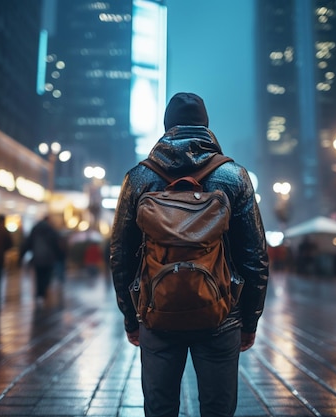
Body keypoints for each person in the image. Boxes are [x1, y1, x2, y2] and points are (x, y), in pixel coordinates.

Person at [110, 92, 269, 417]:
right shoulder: (234, 176)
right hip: (222, 315)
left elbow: (120, 255)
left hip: (156, 312)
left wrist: (131, 317)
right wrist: (249, 320)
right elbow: (255, 256)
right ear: (206, 127)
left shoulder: (139, 177)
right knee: (217, 409)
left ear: (168, 127)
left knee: (160, 408)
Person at [20, 216, 63, 304]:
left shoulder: (35, 230)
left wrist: (21, 255)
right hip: (49, 258)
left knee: (39, 277)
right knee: (46, 277)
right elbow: (56, 245)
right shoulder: (51, 230)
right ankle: (43, 293)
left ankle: (39, 294)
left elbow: (28, 243)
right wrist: (59, 256)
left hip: (37, 258)